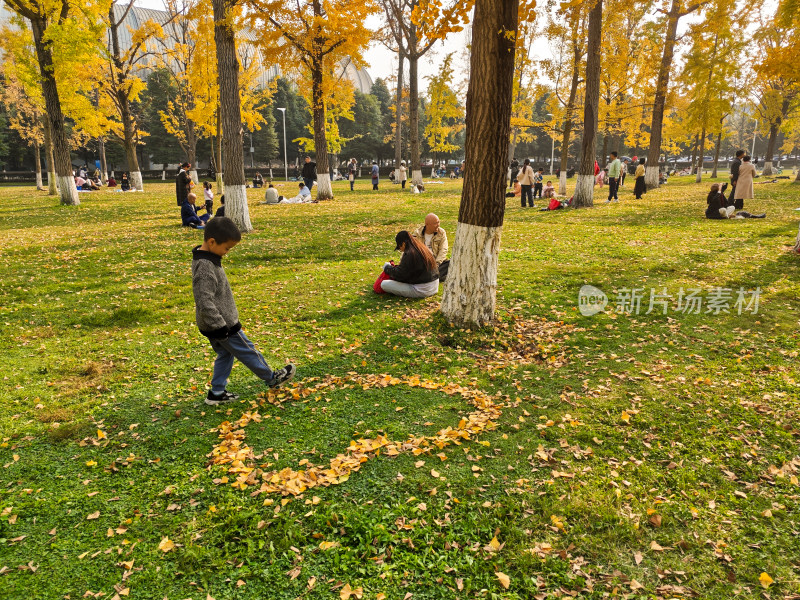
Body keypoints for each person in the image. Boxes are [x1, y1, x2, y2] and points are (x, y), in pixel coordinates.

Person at [192, 217, 296, 405]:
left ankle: (216, 393)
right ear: (212, 242)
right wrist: (220, 325)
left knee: (226, 354)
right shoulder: (206, 267)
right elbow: (204, 301)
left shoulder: (207, 258)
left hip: (213, 323)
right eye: (227, 248)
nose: (227, 253)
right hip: (222, 324)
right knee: (248, 351)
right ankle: (272, 378)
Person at [381, 231, 440, 298]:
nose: (401, 250)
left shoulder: (410, 254)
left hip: (422, 290)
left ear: (403, 244)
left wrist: (387, 268)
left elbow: (401, 275)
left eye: (399, 248)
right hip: (434, 286)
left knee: (384, 284)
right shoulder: (422, 248)